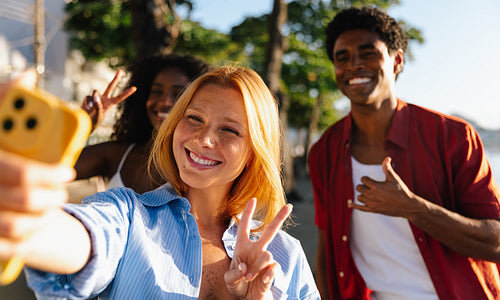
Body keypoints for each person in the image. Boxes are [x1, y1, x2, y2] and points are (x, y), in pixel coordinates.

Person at [0, 66, 320, 299]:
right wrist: (28, 225)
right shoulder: (126, 215)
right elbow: (77, 237)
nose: (204, 139)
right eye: (193, 118)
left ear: (255, 152)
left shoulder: (284, 256)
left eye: (229, 130)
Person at [309, 6, 500, 300]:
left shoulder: (454, 137)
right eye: (342, 57)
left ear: (397, 61)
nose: (353, 65)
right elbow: (326, 248)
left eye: (368, 52)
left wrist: (412, 208)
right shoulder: (325, 151)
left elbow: (496, 242)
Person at [76, 54, 211, 193]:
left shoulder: (207, 167)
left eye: (179, 94)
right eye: (157, 91)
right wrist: (83, 125)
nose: (164, 102)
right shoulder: (118, 155)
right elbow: (55, 164)